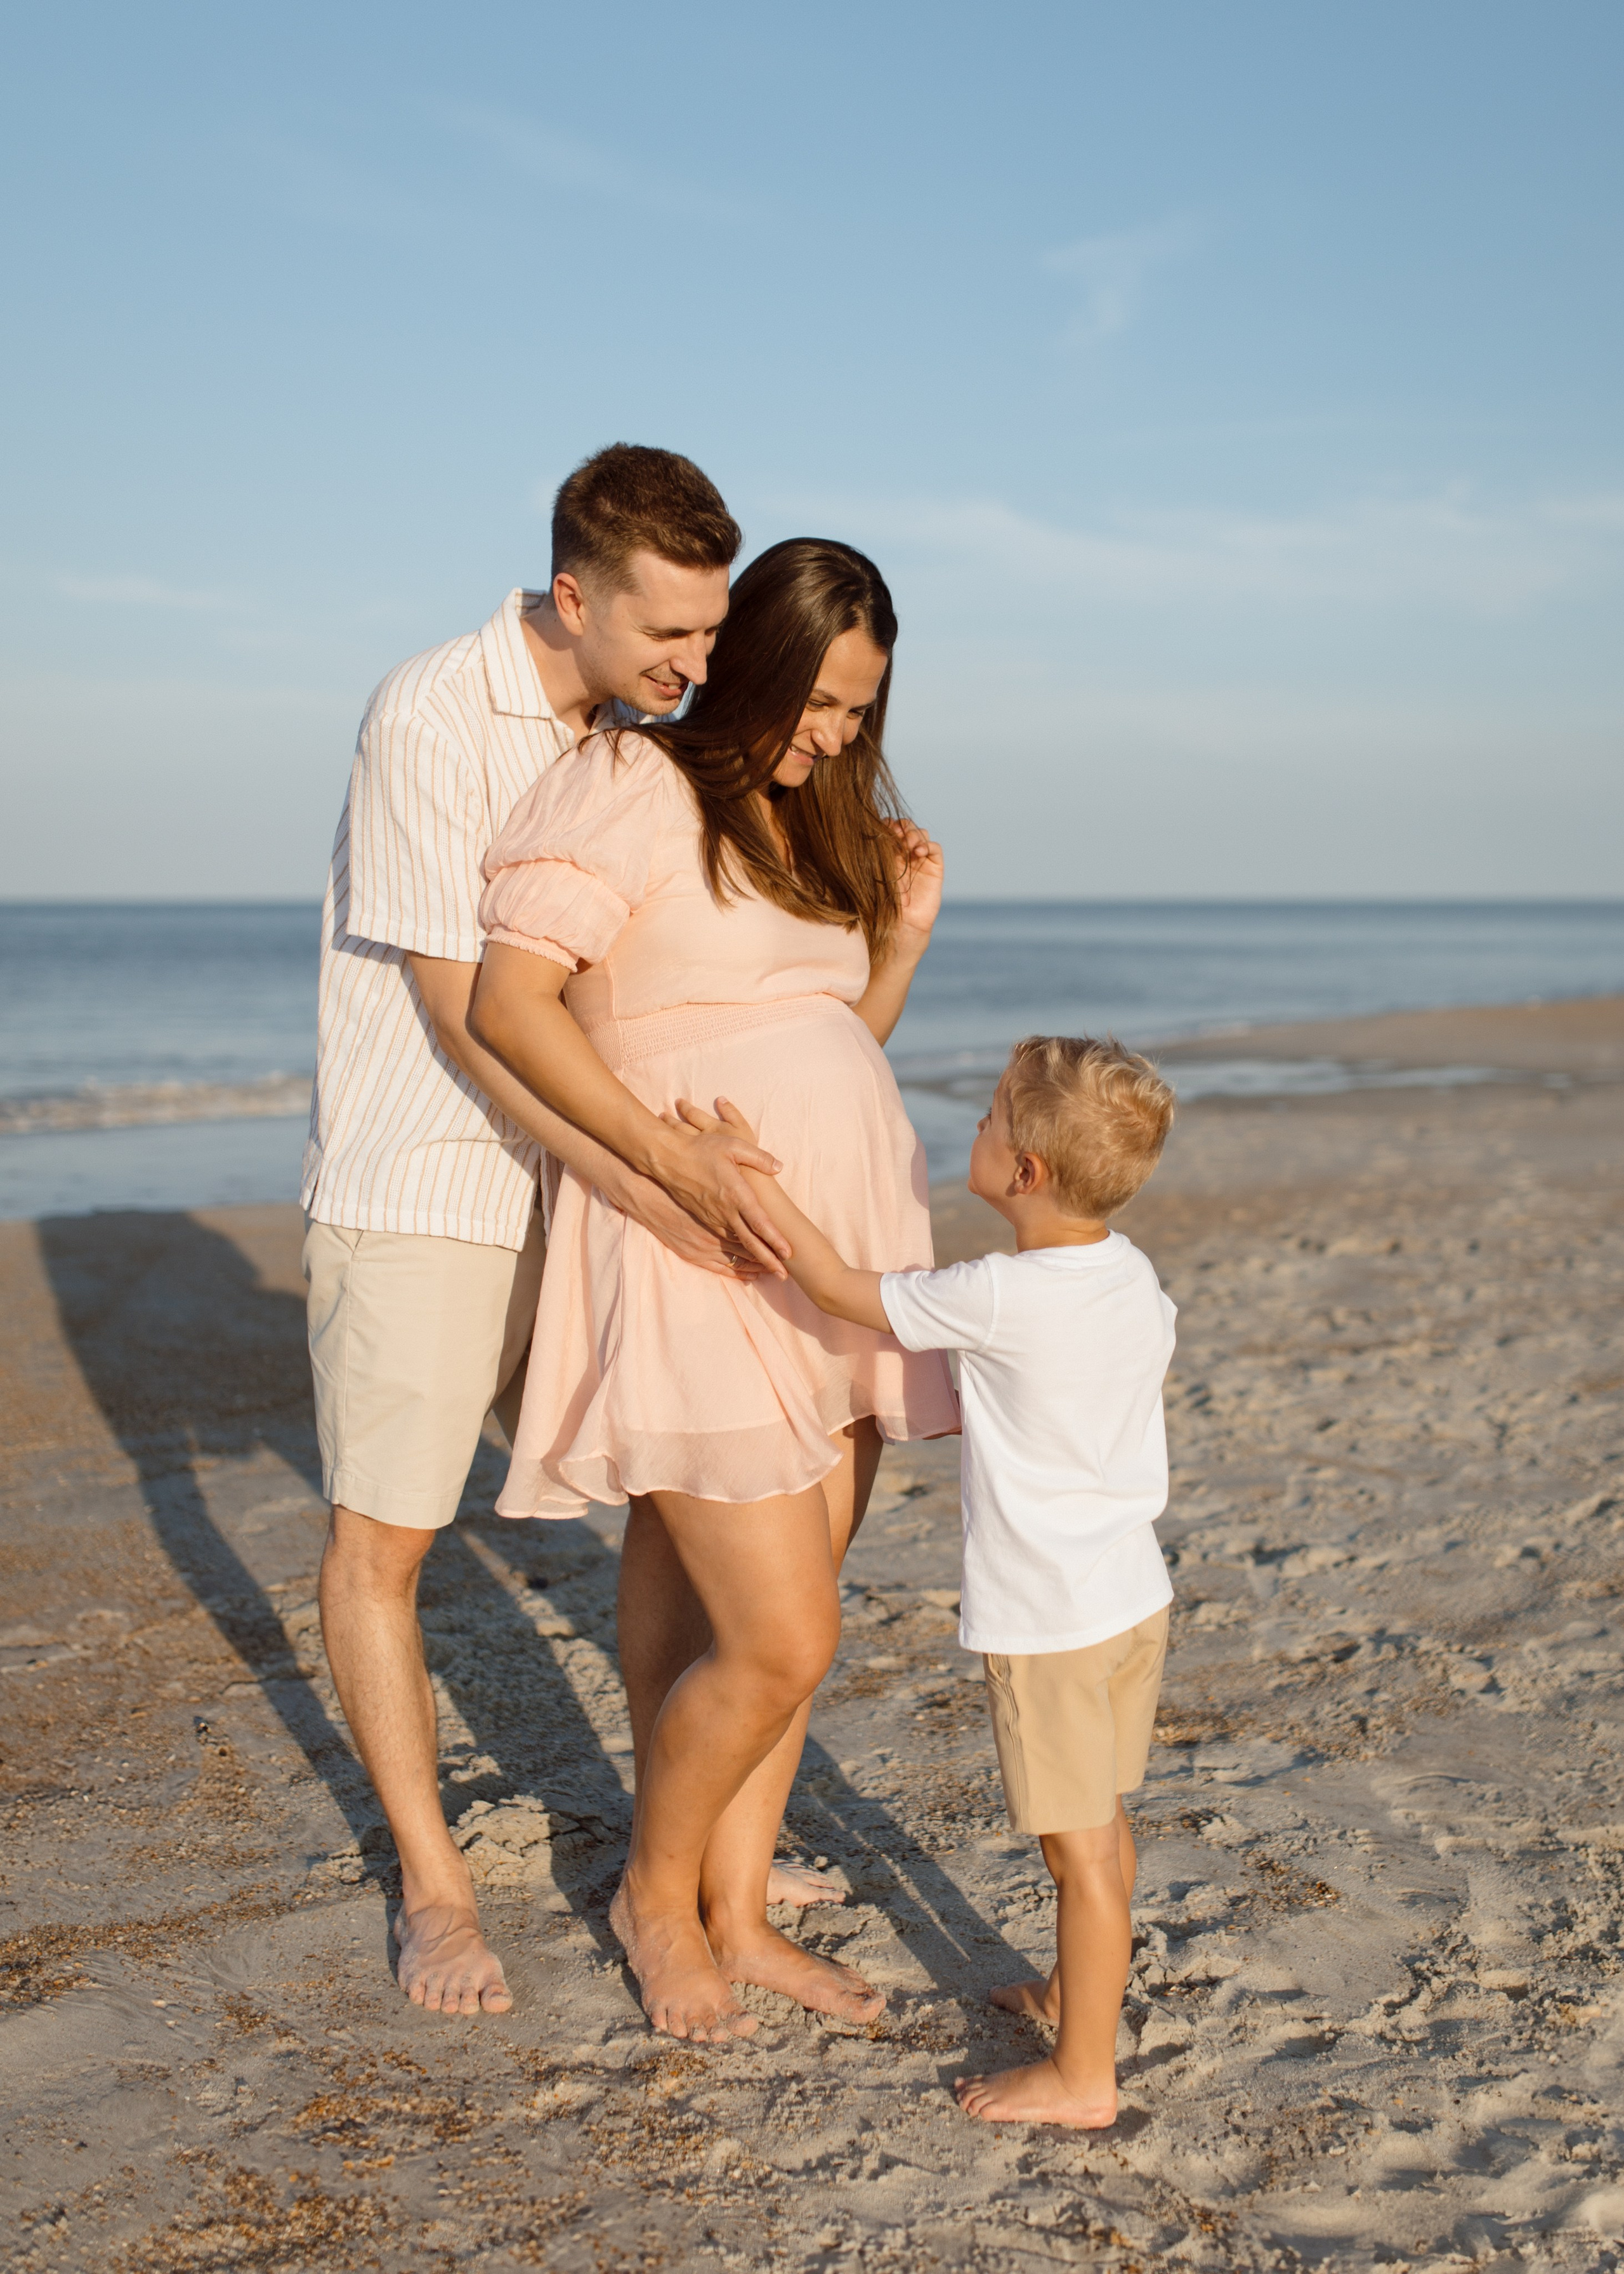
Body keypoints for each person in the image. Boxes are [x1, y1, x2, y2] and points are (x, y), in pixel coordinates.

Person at [301, 444, 790, 2021]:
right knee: (387, 1541)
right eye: (669, 635)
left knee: (657, 1487)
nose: (694, 666)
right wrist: (655, 1171)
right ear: (571, 595)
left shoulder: (626, 729)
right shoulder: (431, 713)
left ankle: (671, 1870)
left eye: (711, 637)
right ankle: (436, 1896)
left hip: (575, 1177)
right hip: (432, 1177)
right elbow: (467, 1015)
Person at [469, 539, 960, 2041]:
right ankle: (653, 1895)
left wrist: (904, 940)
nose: (833, 736)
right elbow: (508, 1003)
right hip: (690, 1237)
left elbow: (831, 1038)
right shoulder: (630, 785)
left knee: (782, 1608)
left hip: (839, 1252)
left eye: (858, 714)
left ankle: (737, 1915)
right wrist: (660, 1167)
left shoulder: (812, 822)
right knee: (780, 1632)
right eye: (815, 701)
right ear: (745, 660)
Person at [695, 1035, 1177, 2125]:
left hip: (1053, 1620)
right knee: (1103, 1822)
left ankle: (1083, 2076)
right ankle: (1071, 1993)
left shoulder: (1002, 1295)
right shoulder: (1131, 1276)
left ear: (1026, 1176)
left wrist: (739, 1171)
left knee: (1081, 1858)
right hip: (1131, 1596)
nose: (978, 1126)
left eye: (992, 1118)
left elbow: (832, 1284)